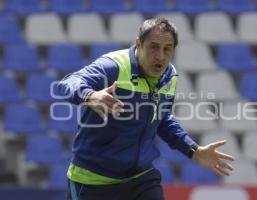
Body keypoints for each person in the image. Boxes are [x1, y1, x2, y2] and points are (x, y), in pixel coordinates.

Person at [58, 17, 234, 200]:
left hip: (140, 179)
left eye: (168, 49)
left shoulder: (169, 77)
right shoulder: (112, 67)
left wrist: (192, 150)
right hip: (92, 182)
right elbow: (68, 83)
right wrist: (89, 95)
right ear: (139, 44)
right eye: (154, 47)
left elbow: (161, 118)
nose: (160, 56)